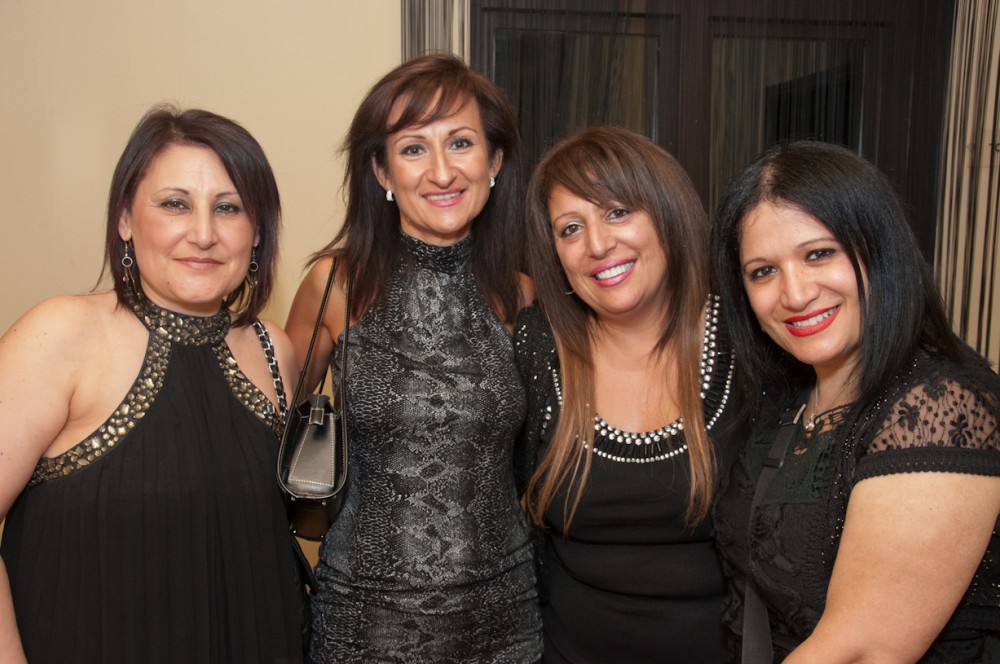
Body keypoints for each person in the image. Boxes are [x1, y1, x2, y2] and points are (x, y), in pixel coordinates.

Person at [0, 105, 307, 663]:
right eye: (174, 204)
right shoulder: (59, 334)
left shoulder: (273, 349)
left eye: (229, 208)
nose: (203, 234)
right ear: (125, 219)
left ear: (258, 232)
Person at [284, 53, 542, 662]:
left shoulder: (523, 295)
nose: (442, 170)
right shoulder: (337, 284)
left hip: (505, 622)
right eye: (413, 148)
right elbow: (266, 413)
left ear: (494, 162)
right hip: (366, 624)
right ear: (382, 171)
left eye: (461, 143)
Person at [711, 140, 1000, 662]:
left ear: (879, 250)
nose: (795, 294)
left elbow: (860, 651)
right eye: (763, 271)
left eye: (819, 254)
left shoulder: (940, 407)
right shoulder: (790, 393)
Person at [513, 126, 742, 663]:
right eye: (571, 228)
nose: (597, 245)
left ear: (668, 213)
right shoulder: (537, 347)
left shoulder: (748, 341)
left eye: (618, 212)